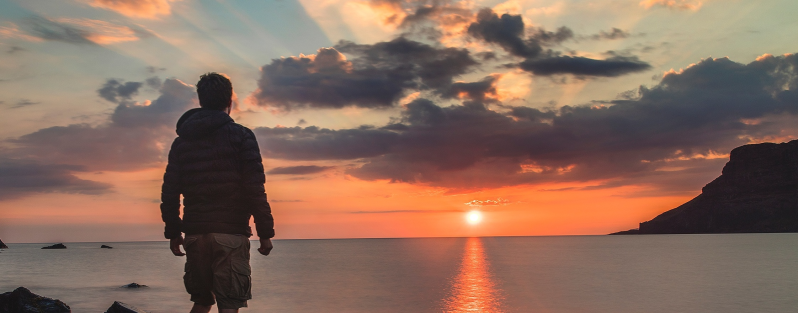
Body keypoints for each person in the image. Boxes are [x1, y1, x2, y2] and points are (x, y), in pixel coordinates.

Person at [160, 72, 275, 313]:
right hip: (230, 234)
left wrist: (173, 231)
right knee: (229, 305)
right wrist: (265, 232)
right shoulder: (241, 136)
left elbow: (170, 191)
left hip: (195, 234)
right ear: (230, 102)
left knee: (202, 301)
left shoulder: (181, 142)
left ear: (201, 100)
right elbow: (254, 187)